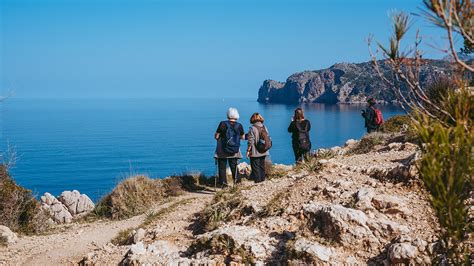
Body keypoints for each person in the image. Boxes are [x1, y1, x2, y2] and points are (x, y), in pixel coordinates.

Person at [214, 107, 245, 186]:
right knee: (234, 166)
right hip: (234, 149)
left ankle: (224, 185)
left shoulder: (223, 124)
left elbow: (217, 136)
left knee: (222, 167)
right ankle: (237, 183)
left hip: (222, 150)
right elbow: (243, 137)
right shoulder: (239, 125)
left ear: (228, 115)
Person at [246, 112, 270, 183]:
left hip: (255, 152)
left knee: (255, 168)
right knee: (262, 167)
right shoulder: (264, 127)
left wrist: (248, 151)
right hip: (264, 150)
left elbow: (250, 141)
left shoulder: (252, 128)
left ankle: (258, 183)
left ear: (252, 119)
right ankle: (263, 181)